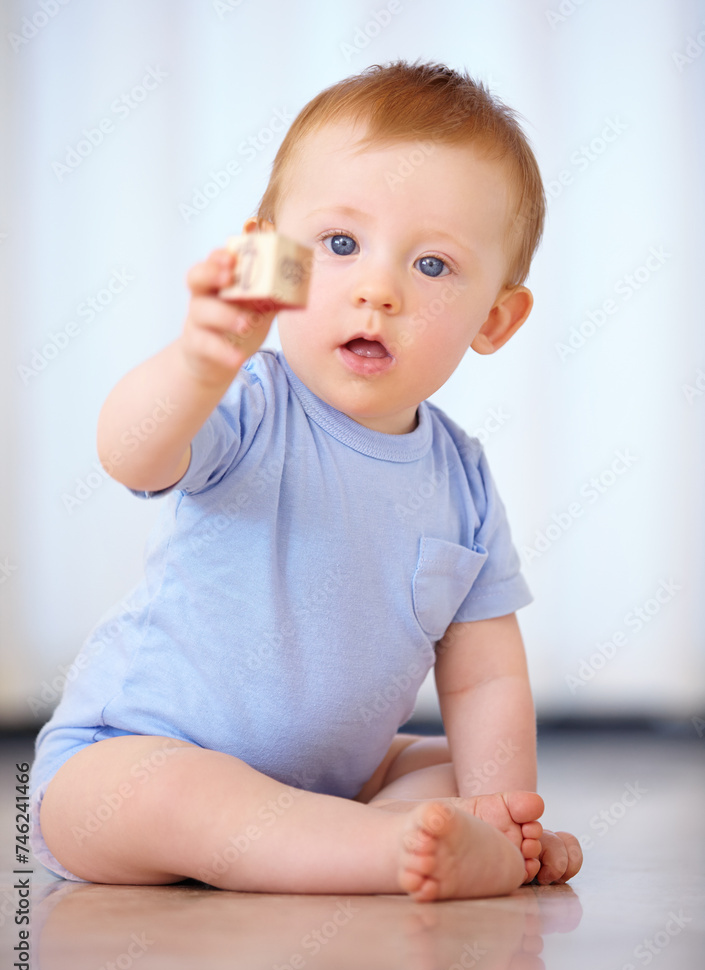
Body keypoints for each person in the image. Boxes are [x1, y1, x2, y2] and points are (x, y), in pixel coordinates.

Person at [29, 60, 582, 902]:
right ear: (269, 259)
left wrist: (501, 810)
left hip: (333, 786)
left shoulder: (461, 477)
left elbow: (484, 676)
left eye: (432, 266)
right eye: (340, 245)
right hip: (128, 761)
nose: (377, 290)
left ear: (494, 319)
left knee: (448, 769)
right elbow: (130, 453)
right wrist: (197, 361)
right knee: (182, 795)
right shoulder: (250, 405)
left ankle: (431, 841)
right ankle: (378, 853)